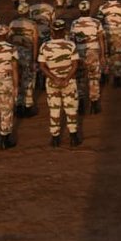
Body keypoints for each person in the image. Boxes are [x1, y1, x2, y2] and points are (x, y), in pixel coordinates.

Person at [38, 19, 80, 147]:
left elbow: (42, 66)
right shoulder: (71, 45)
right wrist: (66, 78)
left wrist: (54, 78)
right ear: (63, 31)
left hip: (52, 82)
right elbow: (75, 65)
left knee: (54, 109)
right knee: (71, 108)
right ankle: (73, 137)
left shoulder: (45, 46)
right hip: (69, 81)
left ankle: (55, 138)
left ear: (52, 31)